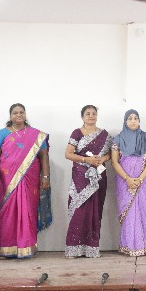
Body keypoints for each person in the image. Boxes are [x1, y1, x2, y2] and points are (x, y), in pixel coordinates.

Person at [0, 103, 51, 258]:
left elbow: (44, 156)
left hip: (30, 179)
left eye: (21, 112)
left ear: (25, 114)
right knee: (7, 213)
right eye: (15, 113)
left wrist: (45, 176)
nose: (18, 115)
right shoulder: (2, 134)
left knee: (27, 211)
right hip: (7, 180)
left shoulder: (35, 135)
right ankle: (4, 248)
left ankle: (26, 247)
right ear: (10, 116)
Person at [64, 105, 113, 258]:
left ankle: (91, 248)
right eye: (88, 114)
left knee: (95, 210)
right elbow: (68, 154)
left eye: (94, 113)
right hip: (81, 177)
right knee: (79, 210)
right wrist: (86, 160)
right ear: (82, 117)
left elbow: (111, 154)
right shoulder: (77, 133)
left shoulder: (104, 135)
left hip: (98, 176)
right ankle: (74, 247)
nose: (91, 116)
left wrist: (102, 159)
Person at [111, 109, 146, 256]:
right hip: (125, 182)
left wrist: (140, 178)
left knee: (143, 211)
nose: (133, 121)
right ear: (125, 121)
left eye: (135, 118)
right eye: (129, 118)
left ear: (139, 121)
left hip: (143, 182)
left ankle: (144, 245)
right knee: (129, 214)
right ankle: (129, 245)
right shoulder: (118, 139)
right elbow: (114, 162)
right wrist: (127, 179)